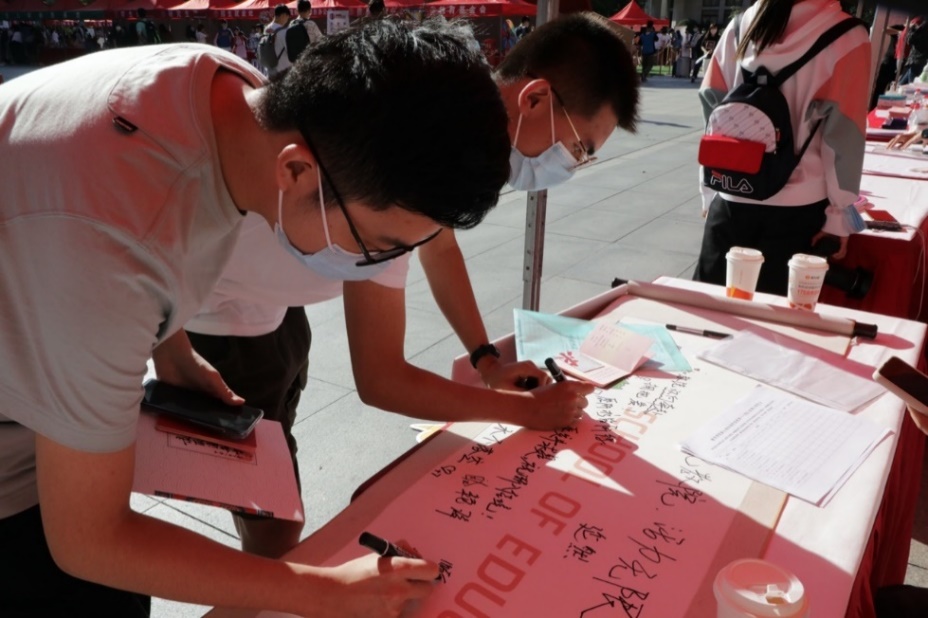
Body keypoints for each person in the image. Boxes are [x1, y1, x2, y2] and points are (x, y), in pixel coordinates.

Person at [0, 17, 514, 616]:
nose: (372, 267)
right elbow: (90, 540)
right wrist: (324, 590)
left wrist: (172, 349)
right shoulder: (115, 247)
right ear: (296, 172)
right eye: (376, 245)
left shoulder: (229, 94)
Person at [185, 11, 640, 557]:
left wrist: (486, 360)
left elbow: (438, 246)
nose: (575, 164)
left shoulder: (447, 128)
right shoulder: (417, 151)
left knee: (274, 488)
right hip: (228, 318)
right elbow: (381, 378)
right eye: (581, 148)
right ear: (536, 98)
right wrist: (525, 412)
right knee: (275, 524)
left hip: (273, 311)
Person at [692, 0, 870, 295]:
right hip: (799, 208)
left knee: (708, 309)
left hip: (732, 195)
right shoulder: (846, 34)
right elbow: (844, 136)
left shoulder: (740, 26)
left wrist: (709, 191)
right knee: (776, 318)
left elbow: (712, 105)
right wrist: (838, 216)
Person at [265, 4, 292, 75]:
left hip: (269, 69)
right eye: (287, 17)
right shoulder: (285, 32)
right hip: (283, 69)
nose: (287, 20)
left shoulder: (266, 29)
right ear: (283, 15)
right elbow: (290, 51)